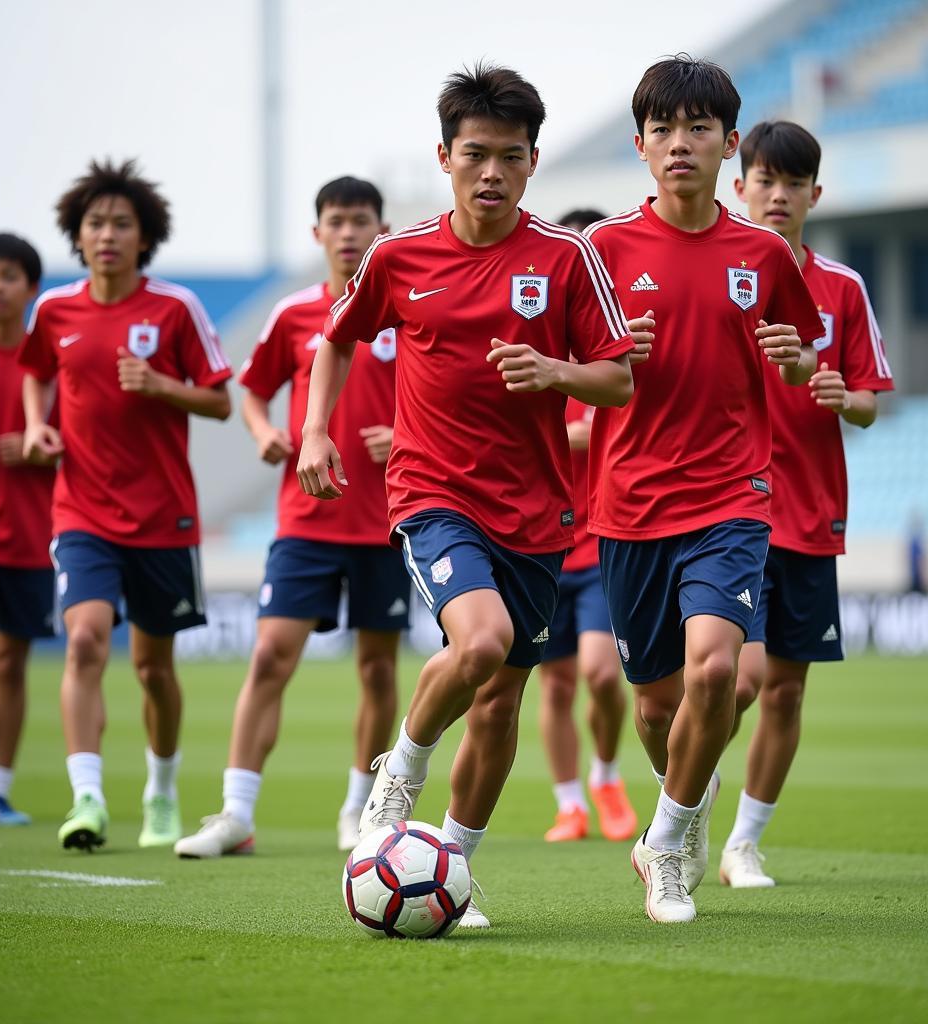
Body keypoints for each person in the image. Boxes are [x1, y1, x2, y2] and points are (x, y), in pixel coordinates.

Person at [297, 64, 638, 928]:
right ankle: (397, 776)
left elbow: (617, 380)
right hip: (430, 491)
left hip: (536, 514)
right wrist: (314, 430)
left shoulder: (566, 258)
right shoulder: (400, 254)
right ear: (444, 156)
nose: (492, 171)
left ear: (532, 165)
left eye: (511, 157)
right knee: (479, 643)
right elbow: (335, 341)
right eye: (475, 154)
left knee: (501, 700)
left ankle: (451, 866)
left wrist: (556, 370)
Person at [585, 55, 825, 923]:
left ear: (729, 144)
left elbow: (799, 350)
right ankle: (681, 796)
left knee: (717, 670)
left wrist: (792, 360)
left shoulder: (764, 252)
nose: (679, 144)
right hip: (627, 505)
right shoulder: (601, 251)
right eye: (663, 129)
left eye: (697, 129)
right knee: (655, 707)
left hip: (731, 498)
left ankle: (669, 849)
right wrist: (601, 364)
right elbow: (573, 376)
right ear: (640, 145)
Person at [175, 177, 409, 858]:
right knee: (272, 654)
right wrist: (261, 432)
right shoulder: (293, 315)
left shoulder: (405, 311)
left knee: (377, 669)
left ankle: (359, 810)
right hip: (306, 520)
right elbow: (252, 390)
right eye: (334, 221)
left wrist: (407, 436)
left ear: (380, 230)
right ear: (317, 235)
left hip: (387, 519)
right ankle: (237, 814)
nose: (346, 233)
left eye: (359, 220)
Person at [19, 159, 232, 851]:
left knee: (152, 668)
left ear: (145, 238)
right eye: (95, 224)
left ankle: (162, 792)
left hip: (164, 516)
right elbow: (34, 371)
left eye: (121, 224)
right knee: (83, 638)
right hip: (80, 510)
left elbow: (220, 401)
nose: (107, 235)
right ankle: (88, 800)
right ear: (76, 238)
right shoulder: (54, 309)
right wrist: (36, 424)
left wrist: (161, 385)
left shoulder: (176, 308)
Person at [720, 120, 894, 887]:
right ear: (741, 186)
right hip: (728, 504)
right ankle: (687, 795)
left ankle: (742, 843)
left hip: (811, 510)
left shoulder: (843, 288)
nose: (778, 194)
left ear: (815, 195)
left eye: (794, 183)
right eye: (765, 179)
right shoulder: (714, 271)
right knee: (740, 679)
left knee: (786, 688)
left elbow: (870, 404)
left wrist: (842, 395)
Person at [538, 208, 636, 845]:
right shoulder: (535, 344)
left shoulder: (616, 353)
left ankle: (606, 774)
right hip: (544, 538)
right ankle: (569, 803)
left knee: (603, 674)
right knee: (556, 682)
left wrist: (580, 432)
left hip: (602, 537)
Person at [0, 233, 54, 824]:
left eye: (8, 277)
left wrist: (42, 448)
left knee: (8, 665)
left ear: (30, 288)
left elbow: (86, 437)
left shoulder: (48, 361)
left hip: (33, 536)